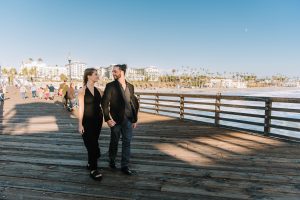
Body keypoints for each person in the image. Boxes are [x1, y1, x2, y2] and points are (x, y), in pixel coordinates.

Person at [101, 64, 139, 175]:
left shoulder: (131, 86)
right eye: (112, 71)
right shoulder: (110, 86)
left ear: (121, 72)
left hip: (128, 119)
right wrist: (107, 118)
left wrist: (135, 119)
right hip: (115, 120)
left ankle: (125, 166)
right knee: (114, 141)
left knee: (127, 142)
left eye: (115, 71)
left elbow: (133, 103)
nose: (113, 73)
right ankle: (112, 160)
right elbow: (104, 103)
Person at [78, 68, 103, 181]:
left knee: (94, 142)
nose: (98, 76)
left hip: (98, 120)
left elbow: (107, 102)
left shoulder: (99, 90)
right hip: (87, 121)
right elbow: (81, 108)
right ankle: (94, 169)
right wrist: (80, 124)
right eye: (96, 74)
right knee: (92, 145)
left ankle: (90, 163)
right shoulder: (82, 90)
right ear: (88, 76)